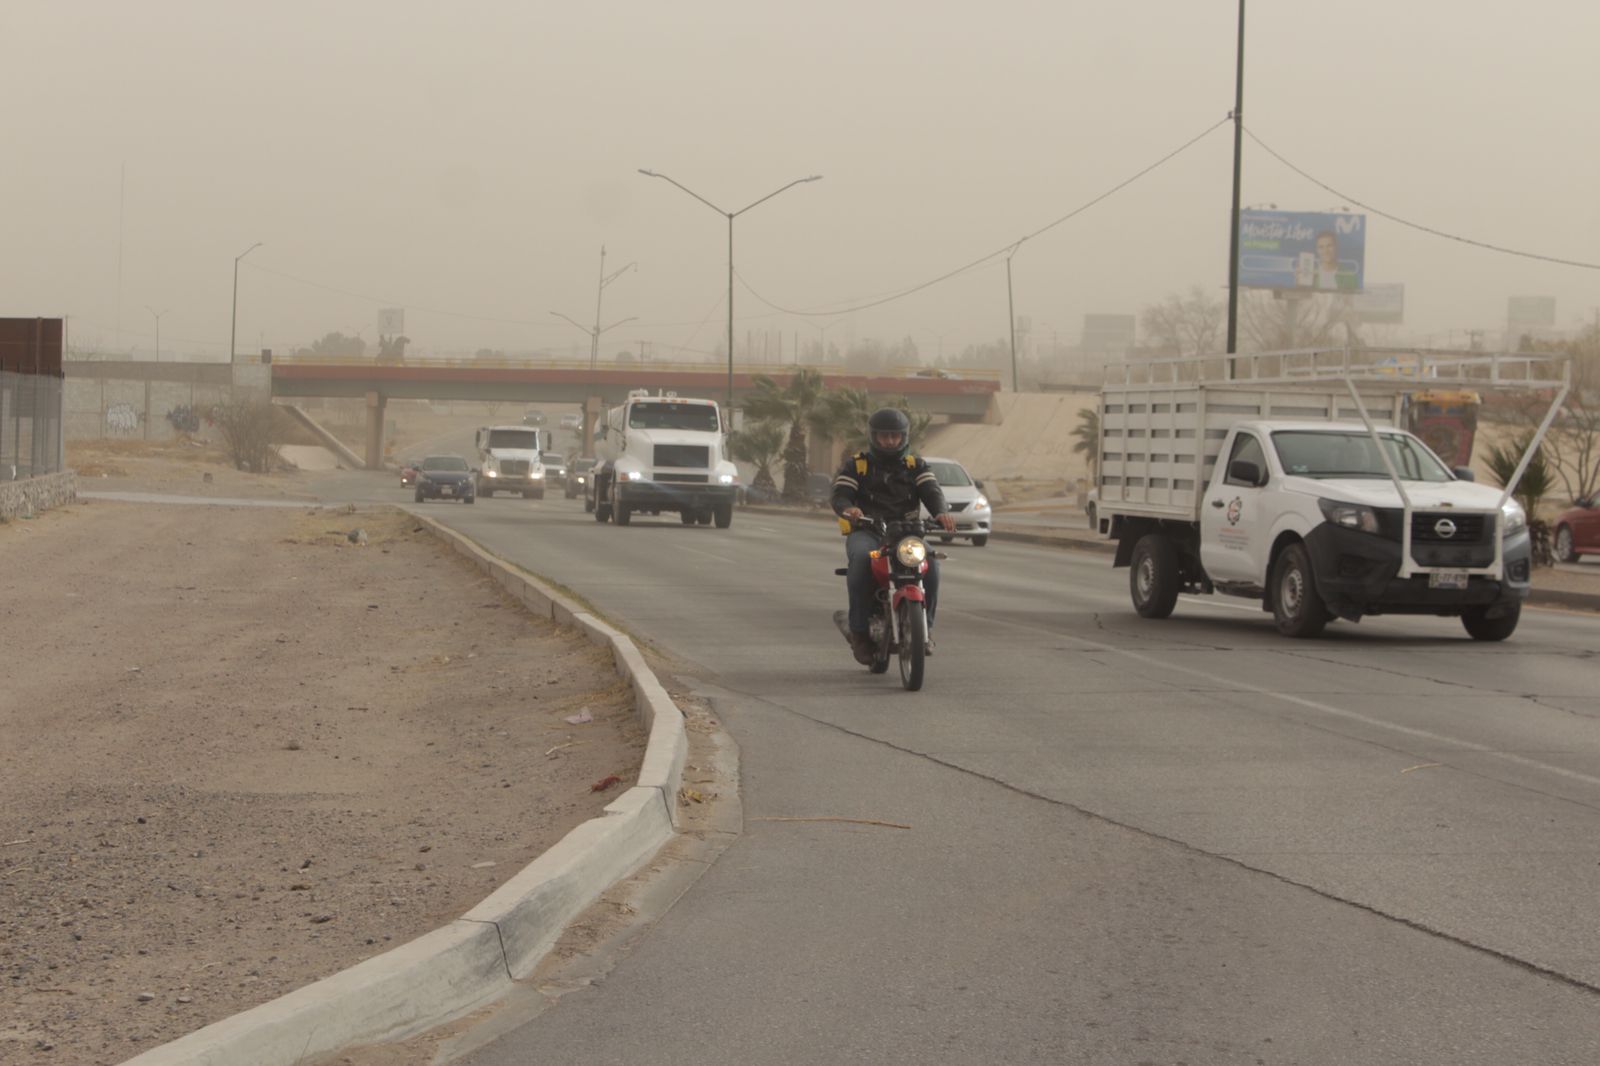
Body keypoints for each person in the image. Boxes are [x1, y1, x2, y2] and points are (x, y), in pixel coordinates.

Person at [830, 407, 957, 665]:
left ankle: (926, 630)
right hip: (868, 531)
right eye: (884, 436)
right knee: (862, 562)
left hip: (906, 534)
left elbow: (932, 491)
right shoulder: (858, 465)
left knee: (931, 565)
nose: (890, 441)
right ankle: (859, 634)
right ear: (874, 437)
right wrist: (848, 508)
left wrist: (941, 512)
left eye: (895, 436)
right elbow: (841, 493)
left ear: (903, 437)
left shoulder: (914, 465)